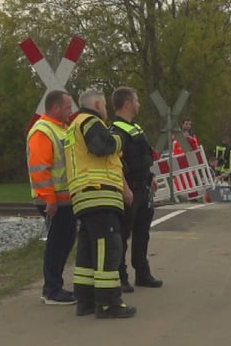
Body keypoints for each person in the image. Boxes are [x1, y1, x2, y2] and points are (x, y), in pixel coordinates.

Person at [65, 88, 136, 319]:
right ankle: (108, 303)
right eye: (104, 106)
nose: (106, 110)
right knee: (109, 247)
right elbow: (102, 146)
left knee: (87, 251)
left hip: (84, 194)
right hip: (98, 192)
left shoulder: (74, 126)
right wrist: (119, 139)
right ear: (96, 105)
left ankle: (85, 300)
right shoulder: (90, 121)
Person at [26, 89, 77, 305]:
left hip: (64, 198)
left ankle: (54, 286)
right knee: (57, 244)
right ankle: (52, 290)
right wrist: (49, 199)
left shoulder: (61, 128)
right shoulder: (43, 131)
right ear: (55, 108)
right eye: (67, 107)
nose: (71, 111)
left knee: (64, 241)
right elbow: (39, 169)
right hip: (54, 200)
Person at [110, 86, 163, 292]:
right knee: (122, 235)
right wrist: (125, 188)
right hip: (129, 188)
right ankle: (121, 276)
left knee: (142, 233)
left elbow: (142, 156)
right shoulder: (115, 131)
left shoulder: (135, 128)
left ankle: (142, 272)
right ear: (127, 104)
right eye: (136, 100)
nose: (138, 104)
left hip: (143, 187)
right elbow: (116, 162)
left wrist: (151, 176)